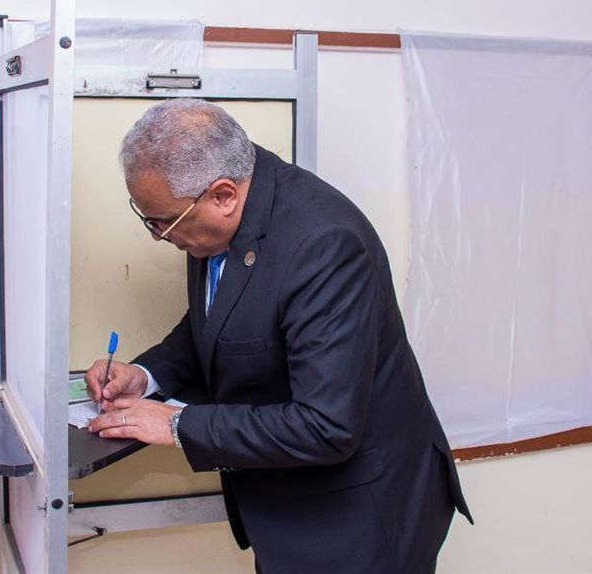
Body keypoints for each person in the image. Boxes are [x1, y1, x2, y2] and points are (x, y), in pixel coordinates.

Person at [87, 98, 470, 573]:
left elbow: (325, 426)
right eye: (148, 219)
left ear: (223, 195)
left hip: (358, 515)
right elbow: (219, 319)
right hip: (287, 502)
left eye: (164, 222)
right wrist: (146, 376)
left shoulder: (324, 245)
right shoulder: (214, 208)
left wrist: (175, 424)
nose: (158, 235)